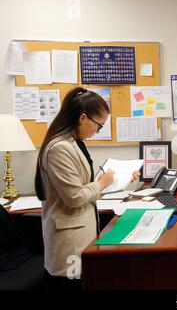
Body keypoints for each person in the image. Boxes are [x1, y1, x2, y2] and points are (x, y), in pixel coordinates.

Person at [35, 87, 139, 290]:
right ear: (83, 118)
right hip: (68, 242)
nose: (98, 131)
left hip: (82, 233)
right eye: (99, 126)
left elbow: (82, 186)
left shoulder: (74, 142)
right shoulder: (60, 148)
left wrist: (122, 179)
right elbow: (74, 196)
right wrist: (101, 183)